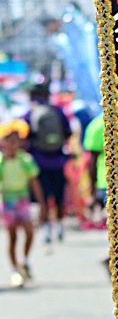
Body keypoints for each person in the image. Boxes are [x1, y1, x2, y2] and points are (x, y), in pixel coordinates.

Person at [0, 120, 46, 287]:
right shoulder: (1, 161)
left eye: (16, 141)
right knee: (12, 237)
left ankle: (24, 259)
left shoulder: (25, 159)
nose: (13, 144)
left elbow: (34, 182)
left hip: (23, 200)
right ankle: (14, 269)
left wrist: (42, 205)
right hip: (7, 201)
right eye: (9, 140)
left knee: (29, 231)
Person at [24, 84, 72, 243]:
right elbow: (68, 132)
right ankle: (58, 226)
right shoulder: (57, 112)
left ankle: (45, 229)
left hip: (38, 163)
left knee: (42, 197)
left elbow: (23, 136)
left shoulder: (30, 114)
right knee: (58, 196)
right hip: (58, 161)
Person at [82, 114, 106, 227]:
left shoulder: (96, 125)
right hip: (107, 182)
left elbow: (92, 161)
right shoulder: (97, 126)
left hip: (105, 181)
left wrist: (92, 189)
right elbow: (92, 160)